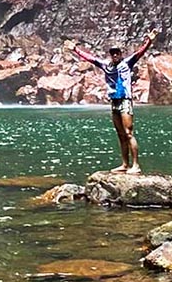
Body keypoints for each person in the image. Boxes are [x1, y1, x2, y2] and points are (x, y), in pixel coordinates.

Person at [65, 29, 159, 175]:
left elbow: (140, 52)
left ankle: (136, 165)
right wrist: (75, 49)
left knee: (128, 132)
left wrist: (150, 41)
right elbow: (90, 58)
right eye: (113, 53)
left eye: (117, 53)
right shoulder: (106, 65)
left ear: (121, 54)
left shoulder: (127, 63)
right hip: (114, 101)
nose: (115, 55)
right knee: (120, 133)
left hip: (125, 100)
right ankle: (124, 164)